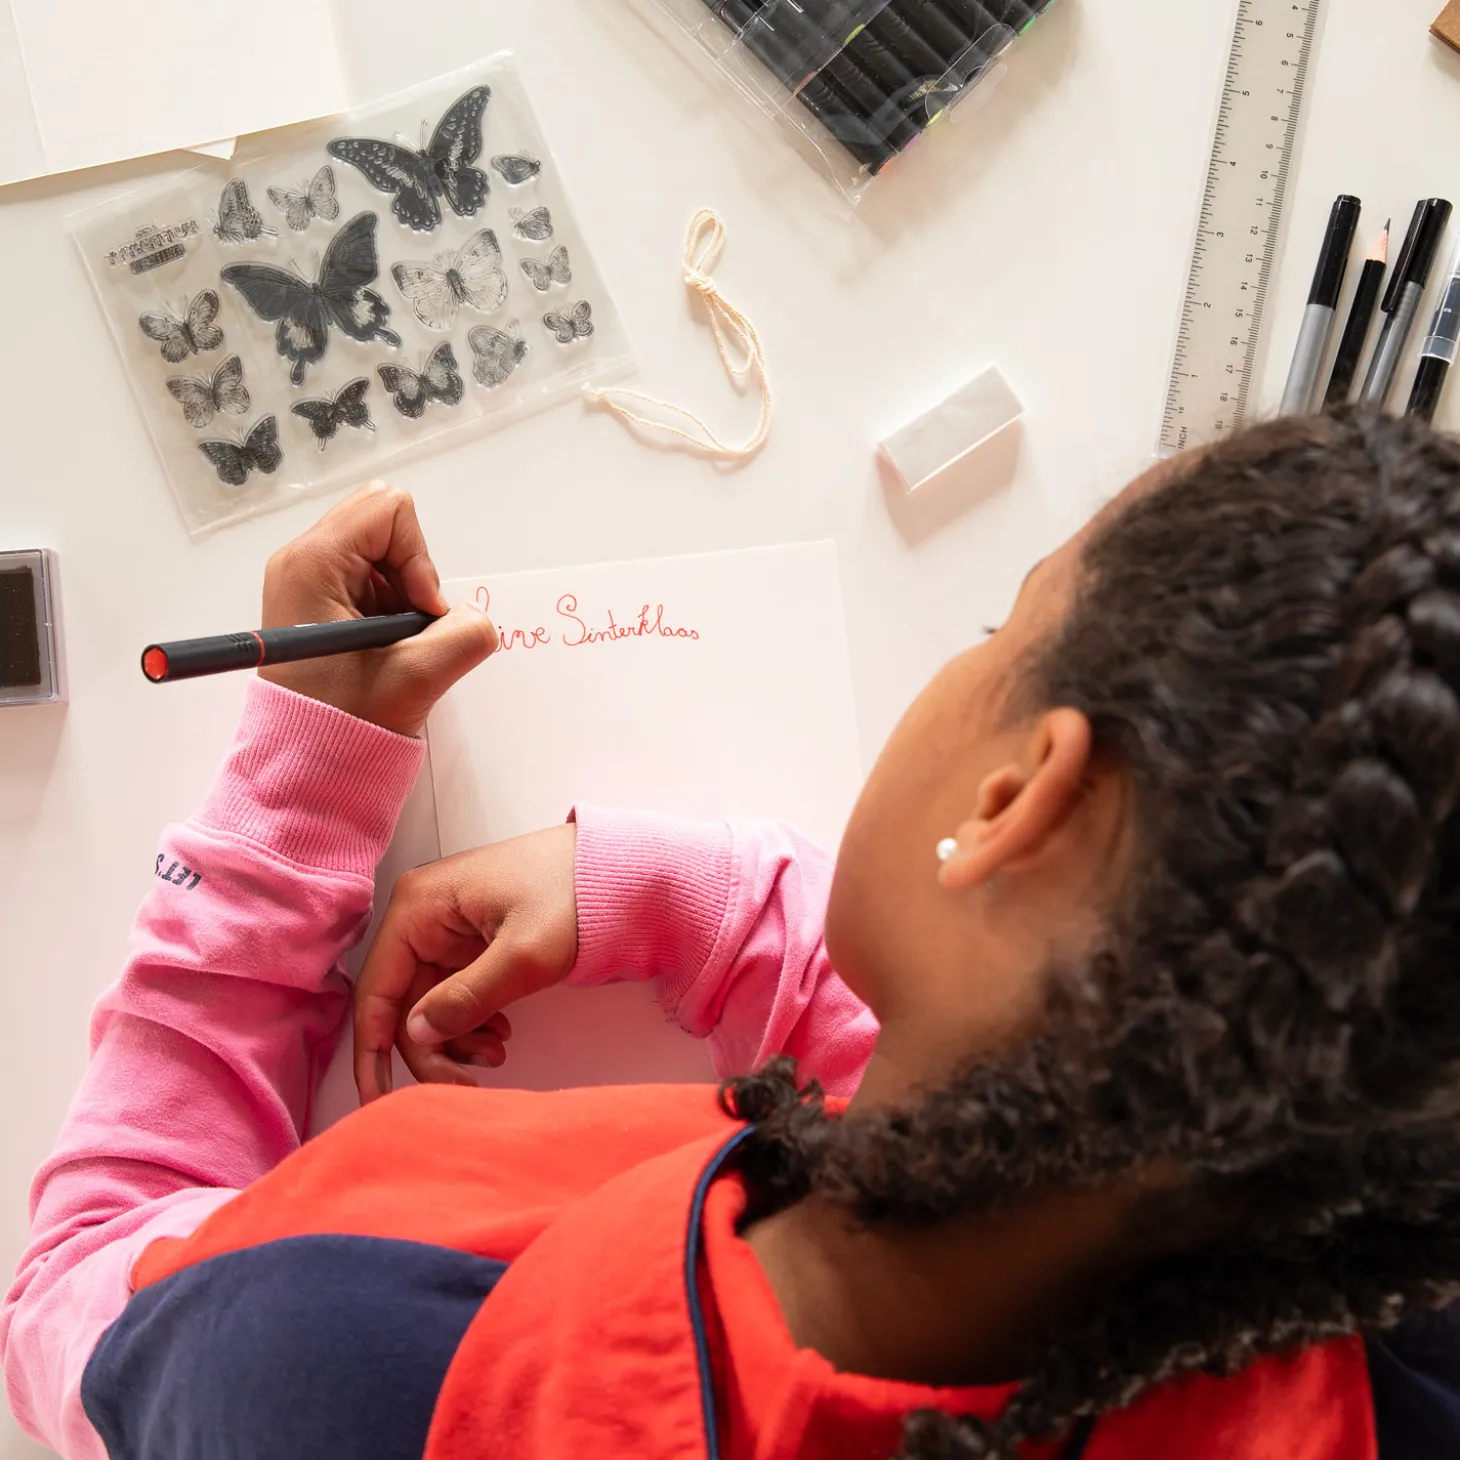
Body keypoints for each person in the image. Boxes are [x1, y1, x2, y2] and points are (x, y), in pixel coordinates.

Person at [5, 413, 1460, 1460]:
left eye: (996, 629)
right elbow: (1065, 1093)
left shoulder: (343, 1356)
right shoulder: (1394, 1372)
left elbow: (83, 1271)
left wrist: (303, 792)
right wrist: (681, 898)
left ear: (1015, 799)